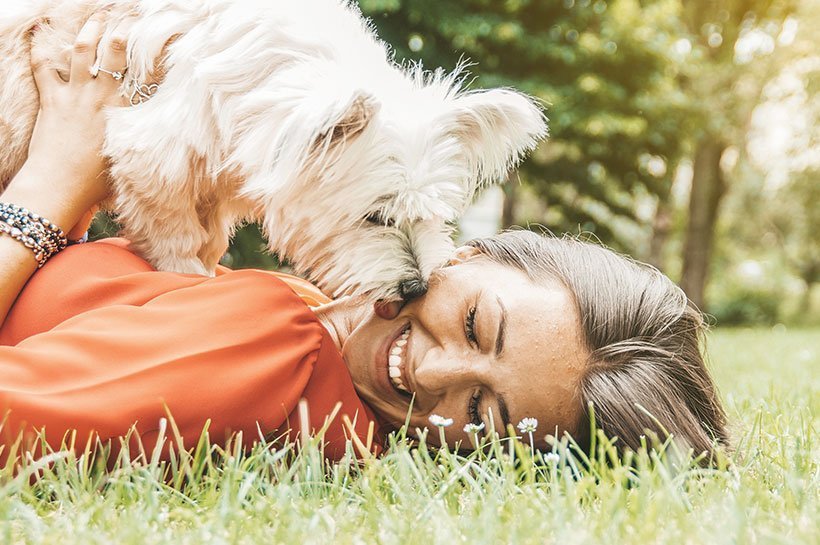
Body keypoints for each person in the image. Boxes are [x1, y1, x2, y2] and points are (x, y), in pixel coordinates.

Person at [0, 14, 729, 464]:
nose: (435, 374)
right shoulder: (311, 307)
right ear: (473, 250)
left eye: (482, 413)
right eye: (476, 323)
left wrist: (52, 184)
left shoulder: (277, 346)